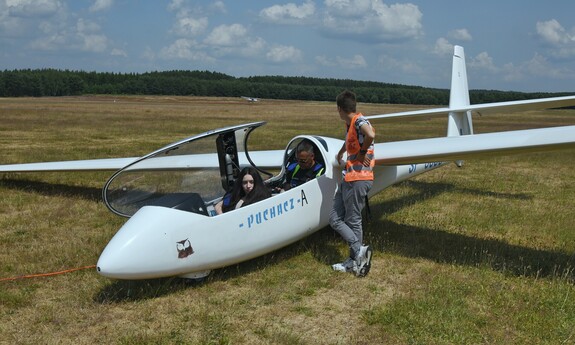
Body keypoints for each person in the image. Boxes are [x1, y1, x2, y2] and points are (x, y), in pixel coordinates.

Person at [329, 90, 376, 277]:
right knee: (334, 218)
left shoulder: (358, 121)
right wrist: (341, 152)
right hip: (349, 177)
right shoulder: (351, 124)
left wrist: (363, 153)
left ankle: (355, 257)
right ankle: (359, 252)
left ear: (340, 109)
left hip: (359, 178)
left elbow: (370, 134)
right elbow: (351, 141)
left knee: (353, 220)